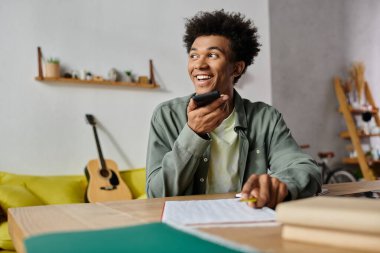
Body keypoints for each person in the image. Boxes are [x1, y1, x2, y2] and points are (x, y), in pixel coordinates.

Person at [146, 10, 321, 208]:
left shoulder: (265, 118)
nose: (199, 65)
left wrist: (280, 186)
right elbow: (156, 193)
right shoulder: (166, 116)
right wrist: (193, 134)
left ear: (236, 68)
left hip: (246, 221)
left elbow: (305, 169)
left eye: (212, 55)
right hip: (185, 227)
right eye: (194, 55)